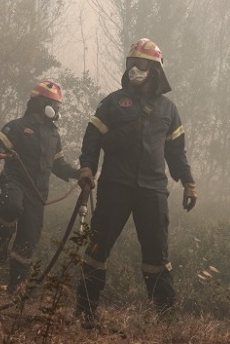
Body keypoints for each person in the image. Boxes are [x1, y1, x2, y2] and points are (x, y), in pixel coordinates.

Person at [74, 38, 196, 325]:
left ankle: (166, 319)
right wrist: (87, 168)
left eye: (141, 65)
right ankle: (86, 313)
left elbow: (176, 152)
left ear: (155, 70)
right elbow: (92, 136)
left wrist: (189, 182)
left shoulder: (168, 109)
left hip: (153, 190)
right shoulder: (114, 101)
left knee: (157, 254)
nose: (134, 70)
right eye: (131, 64)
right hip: (115, 185)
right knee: (97, 248)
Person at [0, 80, 81, 292]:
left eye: (58, 106)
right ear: (41, 103)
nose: (57, 110)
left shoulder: (54, 135)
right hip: (15, 181)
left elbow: (59, 165)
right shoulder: (17, 126)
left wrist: (78, 174)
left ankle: (15, 289)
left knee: (27, 242)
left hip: (38, 193)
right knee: (11, 206)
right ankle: (2, 239)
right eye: (54, 104)